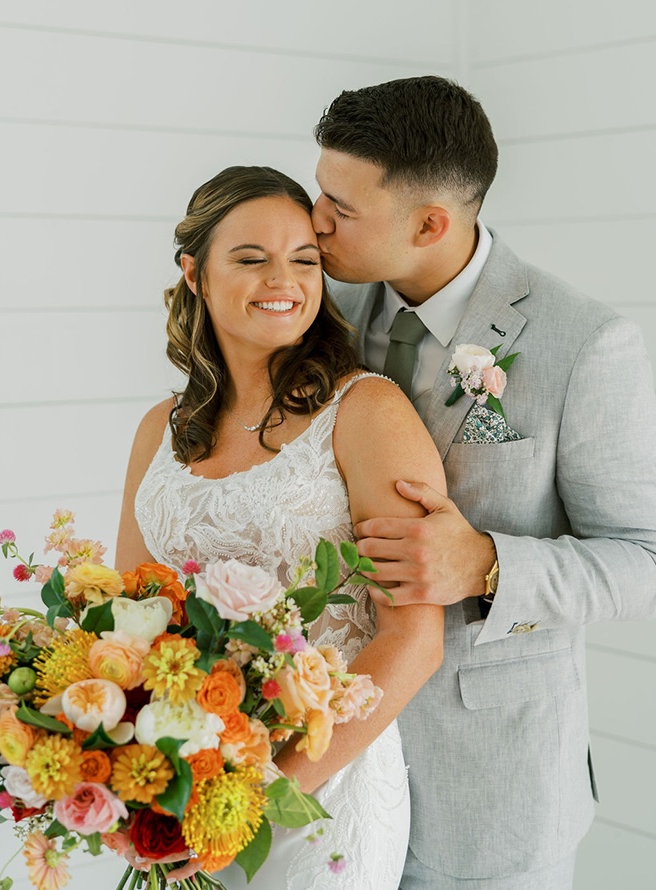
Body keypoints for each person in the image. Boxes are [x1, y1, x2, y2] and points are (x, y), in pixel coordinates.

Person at [280, 75, 656, 889]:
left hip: (493, 792)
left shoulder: (586, 343)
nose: (315, 220)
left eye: (341, 207)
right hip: (327, 768)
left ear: (430, 223)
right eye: (321, 191)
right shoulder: (319, 306)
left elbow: (644, 561)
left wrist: (488, 564)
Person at [115, 165, 446, 889]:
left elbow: (413, 638)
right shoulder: (158, 429)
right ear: (195, 274)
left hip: (323, 789)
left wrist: (260, 795)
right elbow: (130, 619)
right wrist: (127, 772)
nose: (283, 280)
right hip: (186, 778)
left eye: (303, 260)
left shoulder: (366, 412)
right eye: (251, 258)